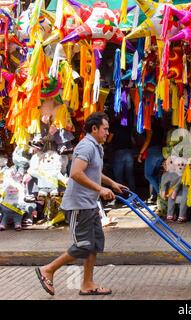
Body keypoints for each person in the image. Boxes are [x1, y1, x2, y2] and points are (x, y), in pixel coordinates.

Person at [35, 112, 127, 296]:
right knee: (83, 244)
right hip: (78, 205)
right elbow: (76, 173)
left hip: (89, 204)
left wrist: (111, 183)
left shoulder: (96, 147)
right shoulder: (86, 146)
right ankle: (48, 269)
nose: (107, 133)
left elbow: (92, 171)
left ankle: (87, 284)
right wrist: (100, 190)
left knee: (93, 244)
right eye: (105, 129)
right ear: (94, 129)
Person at [138, 117, 164, 204]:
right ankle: (155, 196)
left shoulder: (150, 127)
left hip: (153, 152)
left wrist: (141, 153)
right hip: (160, 151)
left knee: (148, 175)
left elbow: (148, 140)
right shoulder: (160, 127)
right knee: (155, 175)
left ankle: (160, 195)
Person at [107, 115, 136, 192]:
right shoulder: (127, 124)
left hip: (119, 152)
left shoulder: (114, 125)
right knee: (130, 175)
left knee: (119, 176)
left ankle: (121, 195)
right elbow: (132, 138)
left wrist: (106, 142)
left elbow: (109, 139)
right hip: (129, 152)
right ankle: (132, 194)